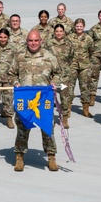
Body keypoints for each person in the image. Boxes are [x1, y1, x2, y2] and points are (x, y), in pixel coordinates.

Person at [8, 29, 61, 172]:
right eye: (30, 41)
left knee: (47, 127)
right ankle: (19, 156)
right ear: (27, 41)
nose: (33, 43)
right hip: (25, 100)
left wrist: (54, 83)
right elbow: (11, 73)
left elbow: (58, 73)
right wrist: (15, 83)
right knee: (22, 128)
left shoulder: (49, 57)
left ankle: (51, 157)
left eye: (36, 40)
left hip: (43, 100)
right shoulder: (19, 56)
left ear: (41, 41)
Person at [48, 23, 75, 128]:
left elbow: (71, 58)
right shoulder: (49, 44)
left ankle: (64, 119)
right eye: (57, 31)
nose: (59, 33)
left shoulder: (69, 44)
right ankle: (50, 118)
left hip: (65, 75)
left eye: (61, 31)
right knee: (50, 98)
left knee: (65, 98)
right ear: (54, 32)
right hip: (52, 75)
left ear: (64, 32)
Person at [69, 18, 97, 118]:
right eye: (77, 26)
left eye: (80, 26)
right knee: (70, 87)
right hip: (72, 66)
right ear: (74, 27)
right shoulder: (70, 37)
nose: (79, 28)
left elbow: (92, 50)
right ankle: (67, 108)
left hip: (84, 66)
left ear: (83, 27)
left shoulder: (88, 39)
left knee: (85, 88)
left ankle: (85, 109)